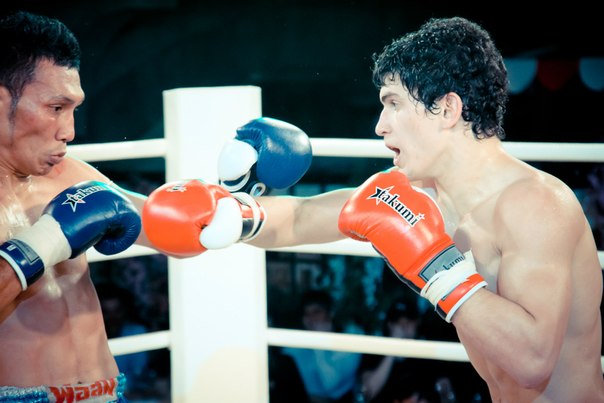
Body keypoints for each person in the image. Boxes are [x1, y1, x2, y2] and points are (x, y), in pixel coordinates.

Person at [142, 16, 604, 402]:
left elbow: (532, 364)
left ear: (447, 109)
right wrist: (234, 213)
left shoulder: (536, 205)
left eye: (393, 104)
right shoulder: (422, 193)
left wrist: (436, 267)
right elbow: (303, 218)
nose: (380, 125)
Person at [0, 11, 159, 401]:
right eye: (56, 108)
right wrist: (44, 242)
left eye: (74, 109)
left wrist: (238, 206)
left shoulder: (67, 174)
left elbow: (172, 228)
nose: (69, 131)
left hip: (109, 391)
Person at [280, 289, 362, 403]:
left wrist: (319, 343)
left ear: (331, 313)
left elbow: (329, 385)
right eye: (306, 313)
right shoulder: (297, 344)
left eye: (316, 312)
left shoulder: (349, 340)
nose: (311, 318)